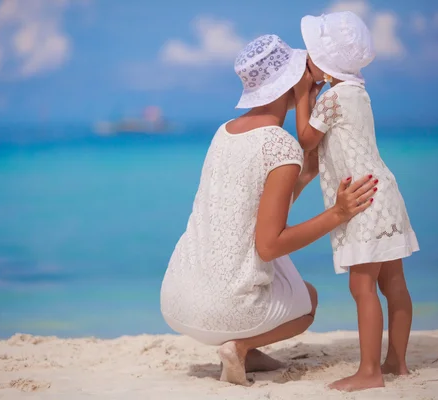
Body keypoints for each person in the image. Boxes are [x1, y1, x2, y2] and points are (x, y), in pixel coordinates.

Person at [160, 34, 378, 387]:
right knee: (308, 302)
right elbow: (269, 244)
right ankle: (241, 346)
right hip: (222, 310)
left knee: (262, 267)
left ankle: (249, 350)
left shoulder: (224, 132)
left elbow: (248, 212)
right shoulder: (280, 145)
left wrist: (305, 174)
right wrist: (337, 214)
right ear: (291, 81)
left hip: (177, 300)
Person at [295, 11, 420, 392]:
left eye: (310, 54)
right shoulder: (357, 93)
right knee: (393, 282)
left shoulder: (330, 99)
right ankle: (396, 360)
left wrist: (303, 95)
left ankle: (369, 372)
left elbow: (306, 140)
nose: (305, 59)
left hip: (361, 198)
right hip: (383, 191)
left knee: (361, 288)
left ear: (325, 62)